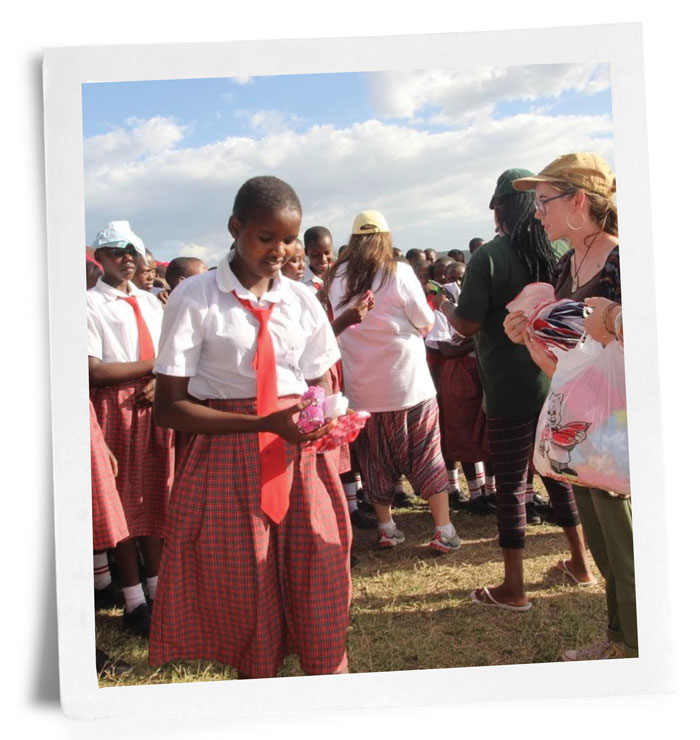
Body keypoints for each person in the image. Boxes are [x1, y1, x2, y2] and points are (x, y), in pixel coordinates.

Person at [149, 176, 352, 678]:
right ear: (235, 227)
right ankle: (259, 694)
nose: (280, 251)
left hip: (298, 459)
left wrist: (324, 413)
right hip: (229, 458)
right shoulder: (196, 297)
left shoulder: (302, 300)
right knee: (247, 584)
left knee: (317, 575)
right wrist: (263, 423)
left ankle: (333, 692)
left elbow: (319, 376)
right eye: (267, 238)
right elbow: (169, 408)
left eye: (289, 240)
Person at [435, 169, 594, 610]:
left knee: (510, 485)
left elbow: (466, 323)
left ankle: (514, 587)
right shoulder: (560, 247)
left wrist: (445, 305)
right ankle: (581, 563)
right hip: (557, 380)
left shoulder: (491, 255)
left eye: (494, 204)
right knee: (558, 475)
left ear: (501, 207)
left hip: (507, 386)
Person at [505, 154, 636, 659]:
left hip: (621, 432)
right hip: (583, 434)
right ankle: (621, 641)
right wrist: (528, 339)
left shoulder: (624, 260)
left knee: (628, 551)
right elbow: (564, 366)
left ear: (579, 201)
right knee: (605, 549)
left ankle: (646, 654)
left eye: (544, 202)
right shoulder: (566, 266)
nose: (537, 214)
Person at [327, 210, 460, 553]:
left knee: (375, 459)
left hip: (363, 391)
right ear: (386, 238)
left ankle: (387, 527)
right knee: (428, 453)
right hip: (409, 385)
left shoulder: (336, 276)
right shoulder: (397, 271)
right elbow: (425, 320)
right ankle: (443, 530)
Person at [87, 221, 175, 637]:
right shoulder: (89, 305)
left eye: (131, 251)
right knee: (121, 506)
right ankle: (133, 599)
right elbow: (96, 369)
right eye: (115, 251)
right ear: (100, 259)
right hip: (116, 408)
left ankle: (159, 591)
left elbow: (169, 355)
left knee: (155, 496)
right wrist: (152, 368)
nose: (125, 258)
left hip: (154, 403)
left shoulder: (152, 303)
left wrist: (160, 380)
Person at [302, 225, 334, 292]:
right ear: (306, 252)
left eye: (327, 253)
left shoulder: (340, 274)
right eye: (316, 255)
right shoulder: (300, 281)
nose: (323, 259)